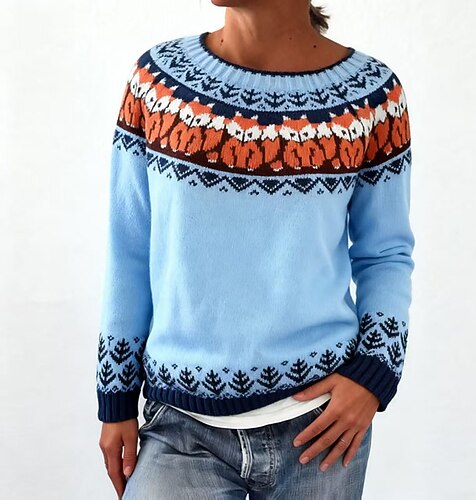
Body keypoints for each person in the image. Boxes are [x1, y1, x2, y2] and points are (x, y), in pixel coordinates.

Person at [96, 1, 415, 498]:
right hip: (179, 423)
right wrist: (116, 395)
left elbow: (385, 253)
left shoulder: (371, 95)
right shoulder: (157, 83)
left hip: (321, 426)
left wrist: (374, 375)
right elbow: (129, 247)